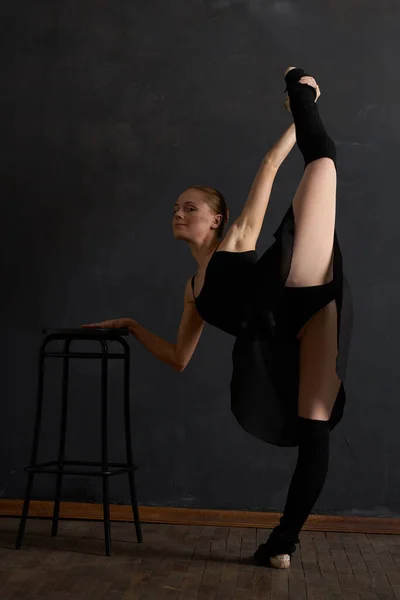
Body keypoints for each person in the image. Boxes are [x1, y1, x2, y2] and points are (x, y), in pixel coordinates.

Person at [83, 66, 353, 569]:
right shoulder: (192, 292)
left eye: (190, 207)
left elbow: (271, 167)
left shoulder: (237, 240)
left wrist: (296, 110)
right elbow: (179, 359)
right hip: (286, 340)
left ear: (217, 219)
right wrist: (132, 326)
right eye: (176, 208)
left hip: (298, 284)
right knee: (313, 427)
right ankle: (283, 545)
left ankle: (303, 88)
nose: (179, 214)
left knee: (323, 166)